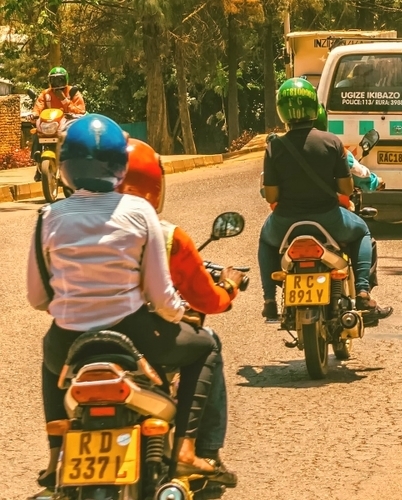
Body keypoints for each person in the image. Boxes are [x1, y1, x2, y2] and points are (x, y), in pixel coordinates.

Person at [27, 115, 224, 497]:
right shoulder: (139, 212)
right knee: (207, 346)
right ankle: (185, 448)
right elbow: (162, 297)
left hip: (68, 342)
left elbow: (38, 298)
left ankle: (56, 457)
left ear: (64, 166)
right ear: (121, 165)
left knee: (50, 355)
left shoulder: (47, 217)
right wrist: (180, 316)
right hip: (137, 335)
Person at [116, 138, 241, 489]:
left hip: (80, 337)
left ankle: (56, 456)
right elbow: (203, 301)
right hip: (146, 335)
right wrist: (229, 286)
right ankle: (200, 450)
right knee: (208, 343)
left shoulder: (67, 222)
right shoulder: (165, 235)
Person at [258, 78, 393, 324]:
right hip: (330, 219)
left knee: (265, 239)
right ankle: (362, 292)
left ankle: (269, 301)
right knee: (363, 231)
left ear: (281, 110)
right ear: (314, 107)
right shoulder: (332, 142)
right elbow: (346, 187)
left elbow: (272, 196)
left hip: (285, 222)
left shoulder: (273, 147)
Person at [31, 66, 87, 181]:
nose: (57, 83)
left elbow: (80, 110)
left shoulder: (73, 92)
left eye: (60, 80)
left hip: (67, 124)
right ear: (49, 81)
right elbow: (38, 106)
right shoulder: (46, 94)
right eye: (54, 80)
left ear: (65, 79)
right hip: (50, 125)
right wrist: (34, 114)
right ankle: (37, 162)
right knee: (36, 132)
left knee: (74, 136)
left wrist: (64, 100)